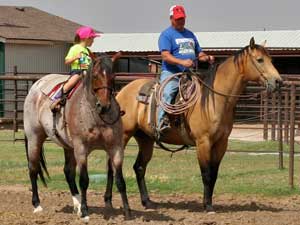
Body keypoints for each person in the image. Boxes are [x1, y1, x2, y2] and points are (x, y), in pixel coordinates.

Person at [157, 5, 215, 133]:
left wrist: (206, 57)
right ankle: (161, 121)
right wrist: (182, 61)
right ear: (171, 18)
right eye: (178, 19)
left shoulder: (190, 34)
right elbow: (165, 56)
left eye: (182, 18)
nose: (181, 21)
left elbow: (199, 53)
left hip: (190, 73)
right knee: (168, 92)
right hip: (172, 73)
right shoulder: (166, 35)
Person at [50, 26, 101, 111]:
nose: (93, 41)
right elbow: (67, 61)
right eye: (92, 38)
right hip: (78, 71)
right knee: (72, 81)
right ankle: (57, 97)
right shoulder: (75, 48)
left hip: (88, 72)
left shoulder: (88, 51)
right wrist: (75, 57)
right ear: (86, 38)